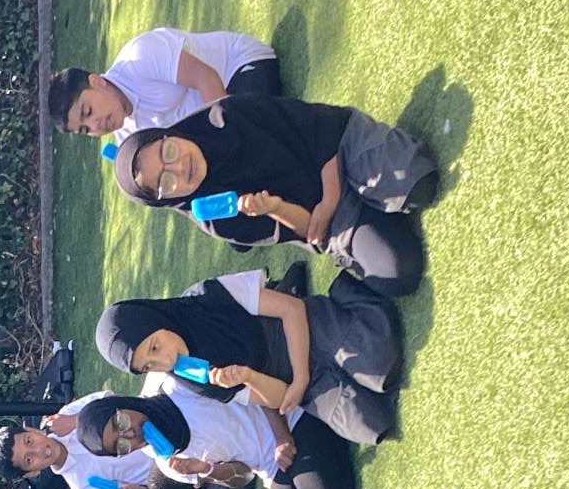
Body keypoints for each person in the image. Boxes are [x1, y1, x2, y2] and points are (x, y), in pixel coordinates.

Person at [88, 268, 401, 489]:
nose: (165, 361)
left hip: (301, 332)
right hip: (296, 383)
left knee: (381, 365)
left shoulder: (203, 297)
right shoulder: (197, 381)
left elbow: (292, 310)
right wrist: (248, 377)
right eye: (149, 366)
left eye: (155, 347)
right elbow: (278, 397)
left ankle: (345, 293)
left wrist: (301, 377)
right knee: (372, 423)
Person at [113, 95, 439, 296]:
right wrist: (274, 208)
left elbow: (320, 129)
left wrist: (329, 199)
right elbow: (309, 229)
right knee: (400, 273)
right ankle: (372, 214)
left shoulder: (228, 115)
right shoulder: (216, 217)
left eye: (168, 151)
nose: (178, 166)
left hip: (337, 148)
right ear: (166, 201)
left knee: (419, 182)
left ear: (169, 134)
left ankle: (378, 198)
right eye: (165, 182)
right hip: (327, 219)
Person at [50, 27, 280, 139]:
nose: (96, 125)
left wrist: (228, 137)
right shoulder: (127, 137)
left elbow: (205, 77)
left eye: (88, 111)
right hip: (214, 123)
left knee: (253, 144)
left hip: (240, 68)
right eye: (85, 130)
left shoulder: (139, 57)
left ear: (97, 81)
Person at [0, 397, 153, 489]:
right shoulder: (81, 485)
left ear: (32, 430)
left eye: (29, 441)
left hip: (153, 421)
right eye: (29, 460)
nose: (39, 450)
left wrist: (77, 420)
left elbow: (115, 401)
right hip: (163, 464)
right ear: (32, 472)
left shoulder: (66, 415)